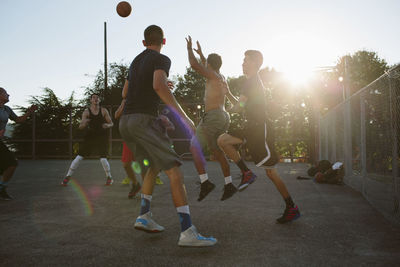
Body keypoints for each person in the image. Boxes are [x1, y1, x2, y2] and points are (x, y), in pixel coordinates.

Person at [119, 25, 216, 246]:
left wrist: (157, 93)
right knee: (174, 171)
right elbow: (158, 86)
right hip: (143, 121)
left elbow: (126, 92)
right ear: (164, 41)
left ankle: (144, 217)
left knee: (154, 167)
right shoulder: (162, 60)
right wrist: (182, 117)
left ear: (143, 43)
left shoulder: (135, 61)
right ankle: (187, 232)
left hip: (126, 122)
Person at [217, 50, 301, 223]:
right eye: (243, 60)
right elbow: (242, 105)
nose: (242, 63)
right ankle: (246, 173)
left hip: (260, 130)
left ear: (255, 63)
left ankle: (291, 207)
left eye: (246, 60)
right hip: (251, 128)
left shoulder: (252, 82)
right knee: (223, 141)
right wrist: (228, 93)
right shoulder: (250, 83)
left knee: (271, 172)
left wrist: (222, 111)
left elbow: (239, 107)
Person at [185, 36, 236, 201]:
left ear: (211, 65)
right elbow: (208, 66)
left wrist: (189, 49)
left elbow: (194, 65)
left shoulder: (213, 76)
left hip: (213, 117)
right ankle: (229, 184)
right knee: (216, 151)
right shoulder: (221, 77)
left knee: (194, 147)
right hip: (222, 117)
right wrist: (202, 54)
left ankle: (205, 183)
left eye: (207, 63)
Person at [61, 94, 114, 186]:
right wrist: (84, 123)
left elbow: (111, 123)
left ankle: (109, 177)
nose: (96, 99)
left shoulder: (104, 110)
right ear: (91, 100)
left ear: (99, 100)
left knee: (103, 158)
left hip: (101, 136)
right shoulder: (86, 112)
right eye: (94, 98)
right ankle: (67, 176)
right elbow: (80, 126)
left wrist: (107, 125)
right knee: (79, 156)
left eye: (97, 97)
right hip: (90, 136)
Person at [0, 87, 37, 200]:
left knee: (12, 163)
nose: (8, 95)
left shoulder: (7, 109)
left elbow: (18, 120)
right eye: (6, 93)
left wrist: (29, 112)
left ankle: (2, 189)